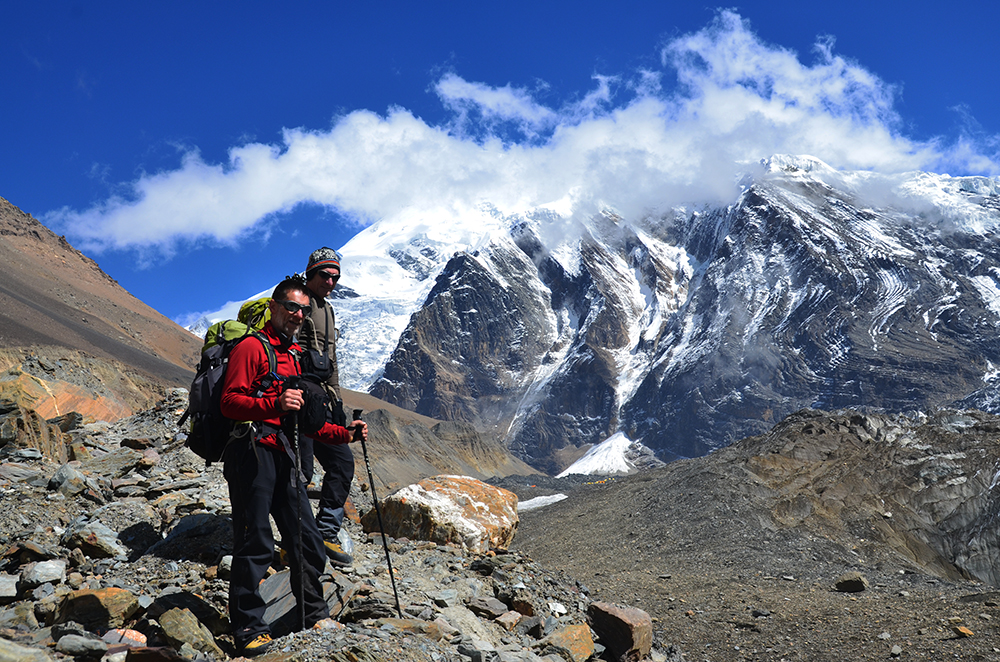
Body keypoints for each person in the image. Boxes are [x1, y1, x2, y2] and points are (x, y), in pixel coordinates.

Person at [220, 277, 367, 657]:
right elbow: (230, 402)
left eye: (303, 310)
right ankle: (249, 627)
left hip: (284, 453)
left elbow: (310, 424)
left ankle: (313, 615)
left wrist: (346, 434)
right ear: (274, 307)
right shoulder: (251, 347)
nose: (298, 315)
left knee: (307, 539)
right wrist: (274, 405)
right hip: (252, 453)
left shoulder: (293, 357)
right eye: (291, 307)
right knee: (255, 542)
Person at [297, 247, 355, 566]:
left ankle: (326, 533)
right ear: (311, 273)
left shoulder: (328, 310)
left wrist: (337, 399)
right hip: (299, 401)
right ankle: (297, 538)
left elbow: (330, 359)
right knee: (301, 473)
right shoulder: (296, 302)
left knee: (342, 463)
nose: (330, 281)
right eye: (324, 275)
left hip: (325, 403)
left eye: (335, 277)